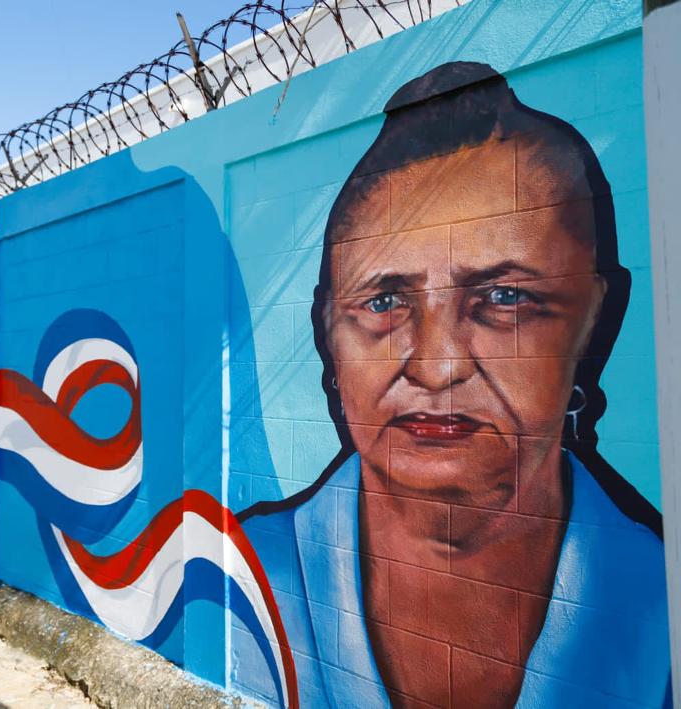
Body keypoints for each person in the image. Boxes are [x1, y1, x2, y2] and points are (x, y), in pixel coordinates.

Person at [240, 62, 669, 708]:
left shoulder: (662, 611)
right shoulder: (238, 587)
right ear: (327, 330)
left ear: (594, 320)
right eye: (384, 301)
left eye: (504, 297)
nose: (437, 367)